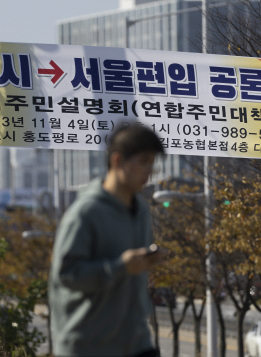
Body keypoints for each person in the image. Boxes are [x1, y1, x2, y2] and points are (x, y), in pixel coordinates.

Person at [49, 123, 165, 357]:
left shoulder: (141, 210)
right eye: (143, 162)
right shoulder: (85, 213)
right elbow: (66, 275)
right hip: (89, 345)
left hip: (136, 340)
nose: (149, 171)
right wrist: (120, 266)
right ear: (118, 161)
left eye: (152, 163)